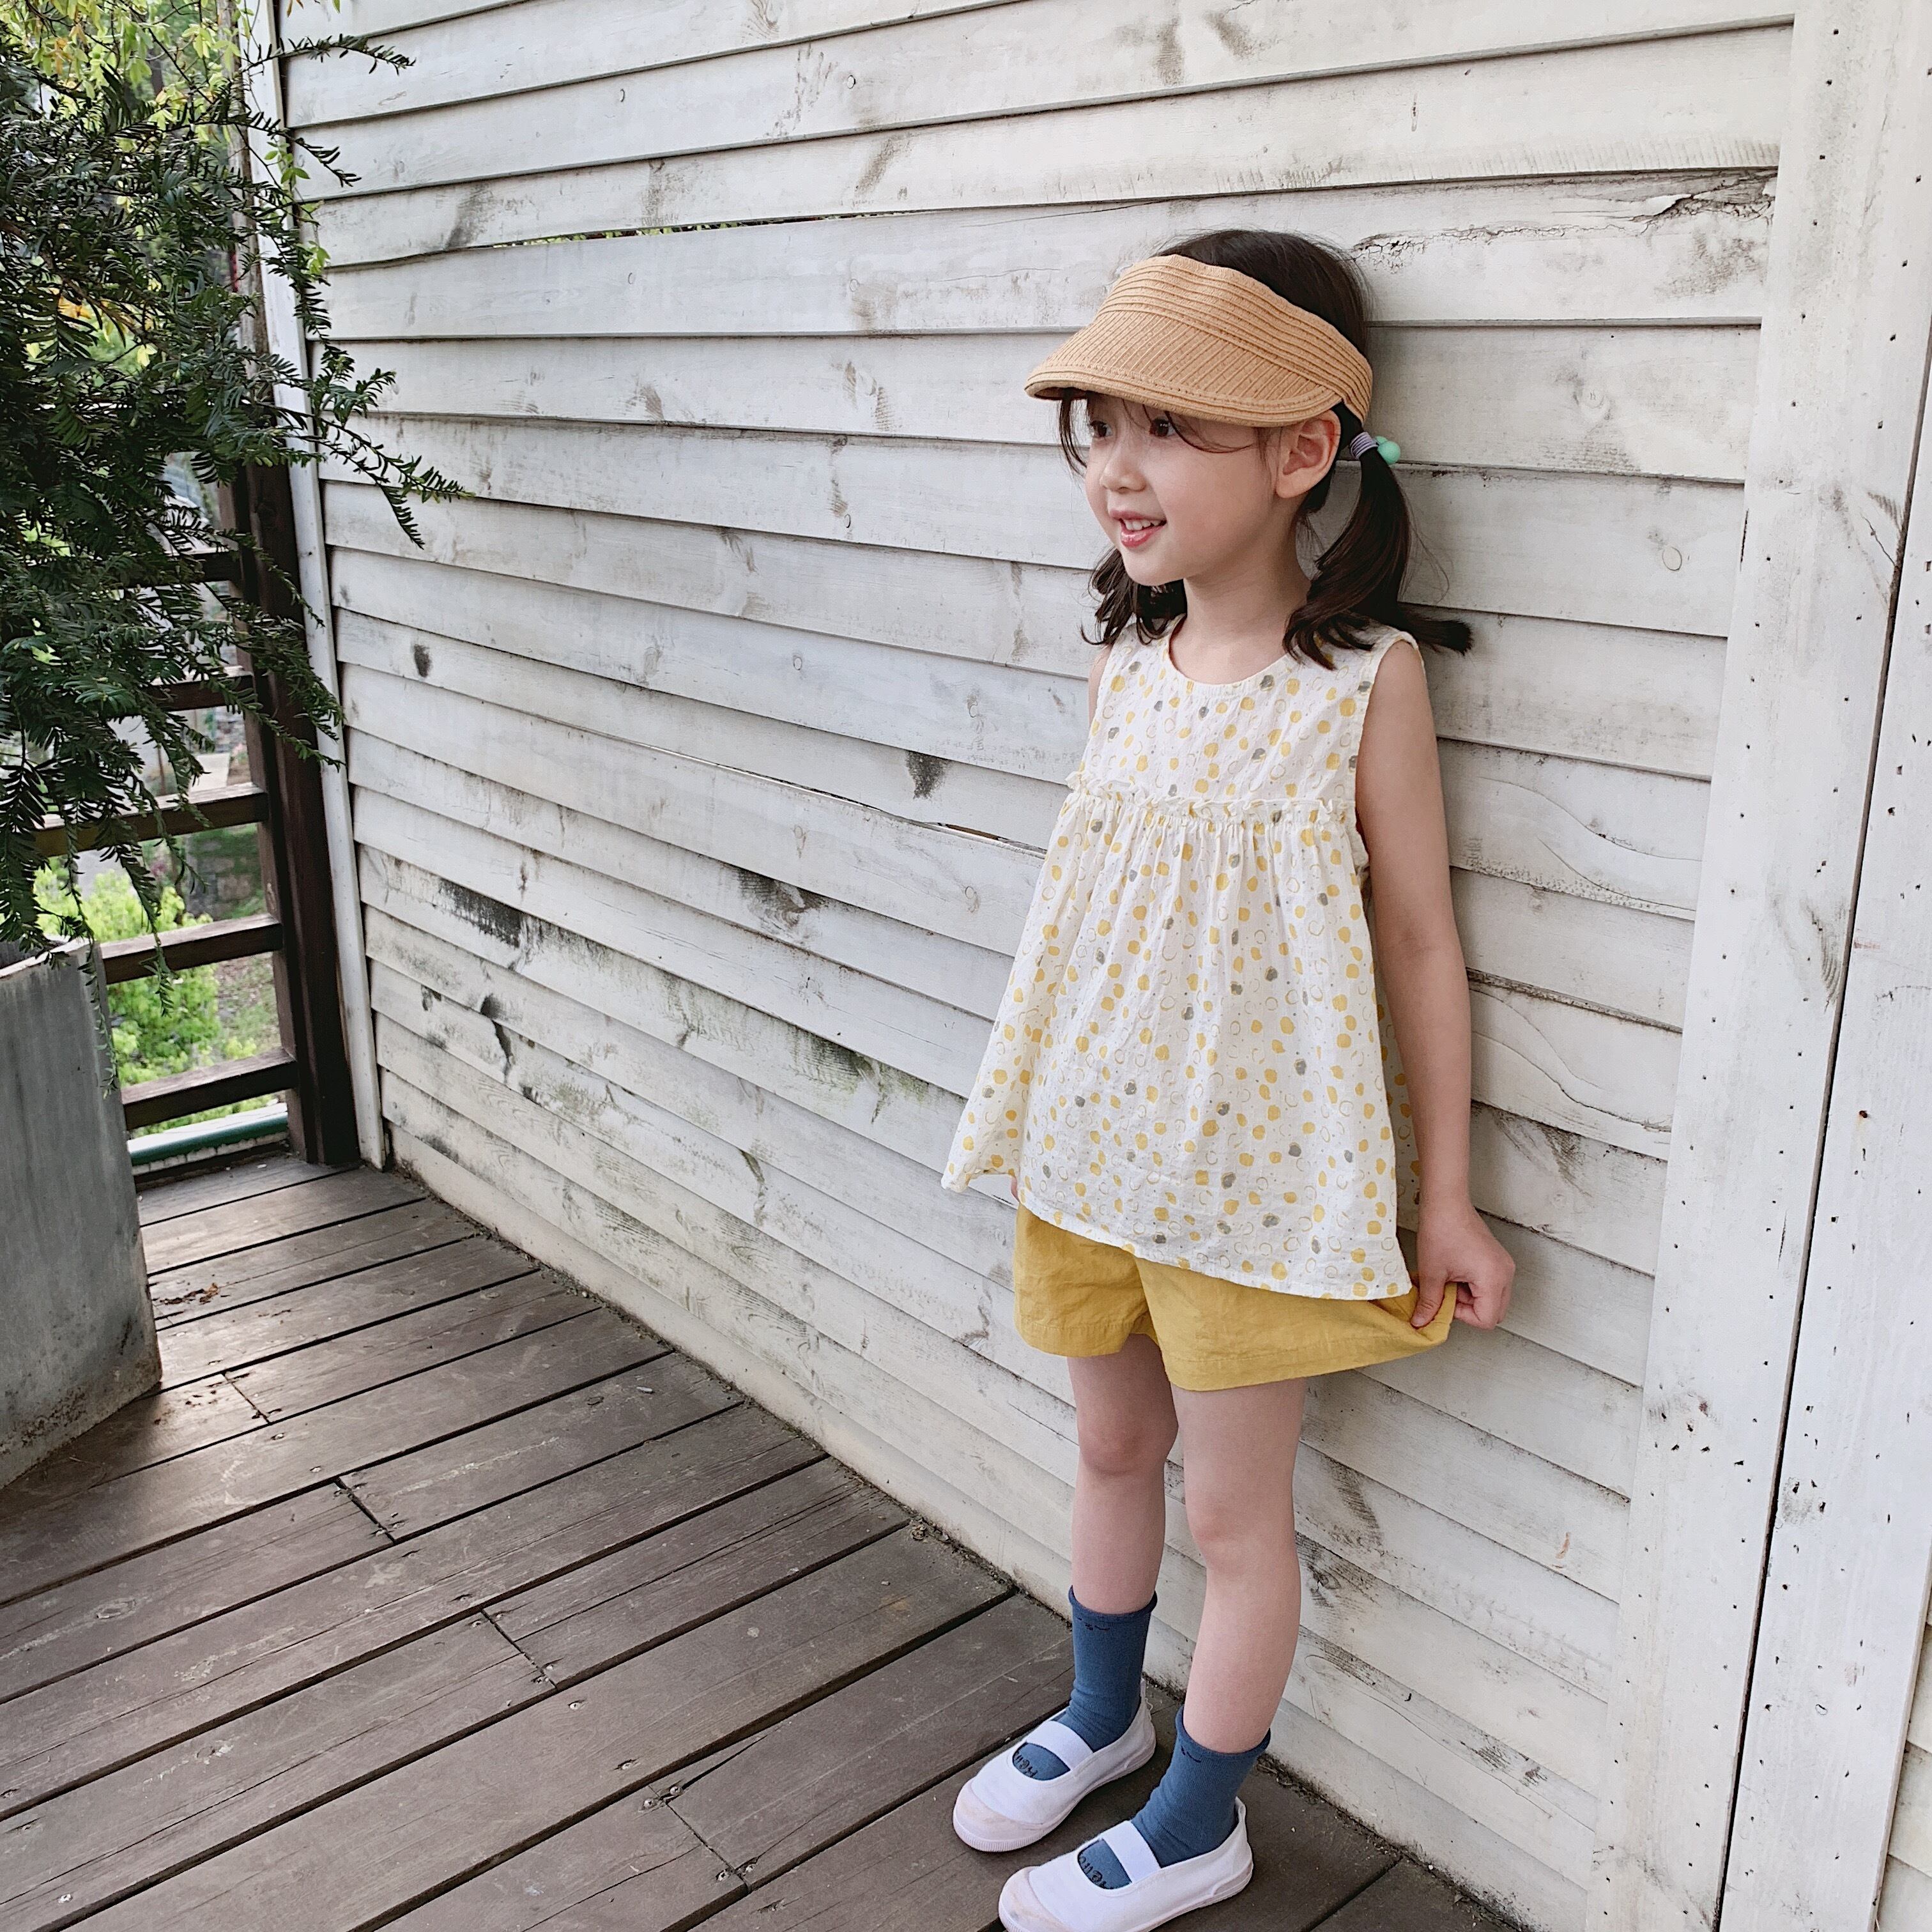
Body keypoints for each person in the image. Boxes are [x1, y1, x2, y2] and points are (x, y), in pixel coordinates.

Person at [937, 230, 1516, 1932]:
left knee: (1233, 1511)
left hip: (1251, 1185)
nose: (1117, 470)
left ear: (1302, 449)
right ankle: (1101, 1715)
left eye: (1169, 429)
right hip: (1090, 1147)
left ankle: (1202, 1819)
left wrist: (1448, 1195)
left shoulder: (1359, 686)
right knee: (1111, 1450)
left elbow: (1420, 943)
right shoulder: (1123, 667)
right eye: (1102, 429)